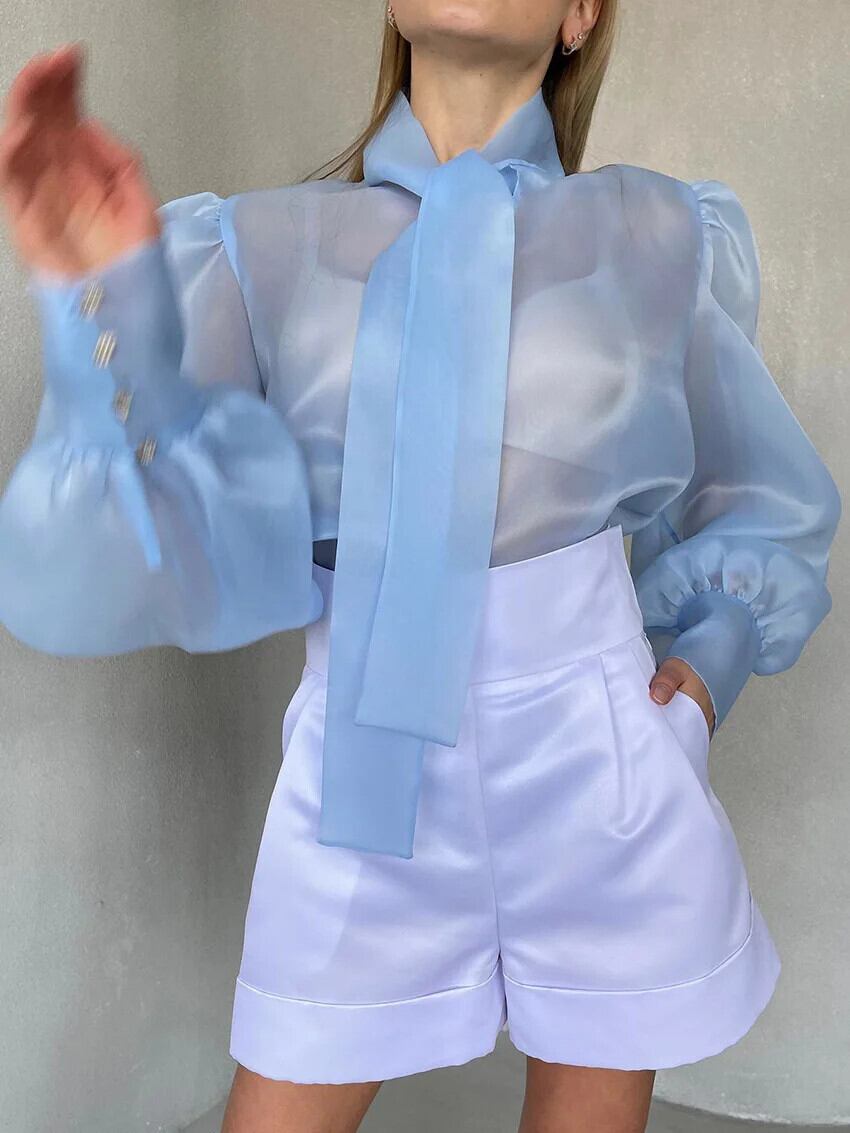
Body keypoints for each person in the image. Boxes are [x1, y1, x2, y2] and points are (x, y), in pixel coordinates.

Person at [0, 2, 841, 1131]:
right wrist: (104, 310)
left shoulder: (657, 234)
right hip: (360, 768)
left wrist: (705, 669)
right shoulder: (261, 248)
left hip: (599, 763)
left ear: (580, 15)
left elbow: (757, 482)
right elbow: (155, 536)